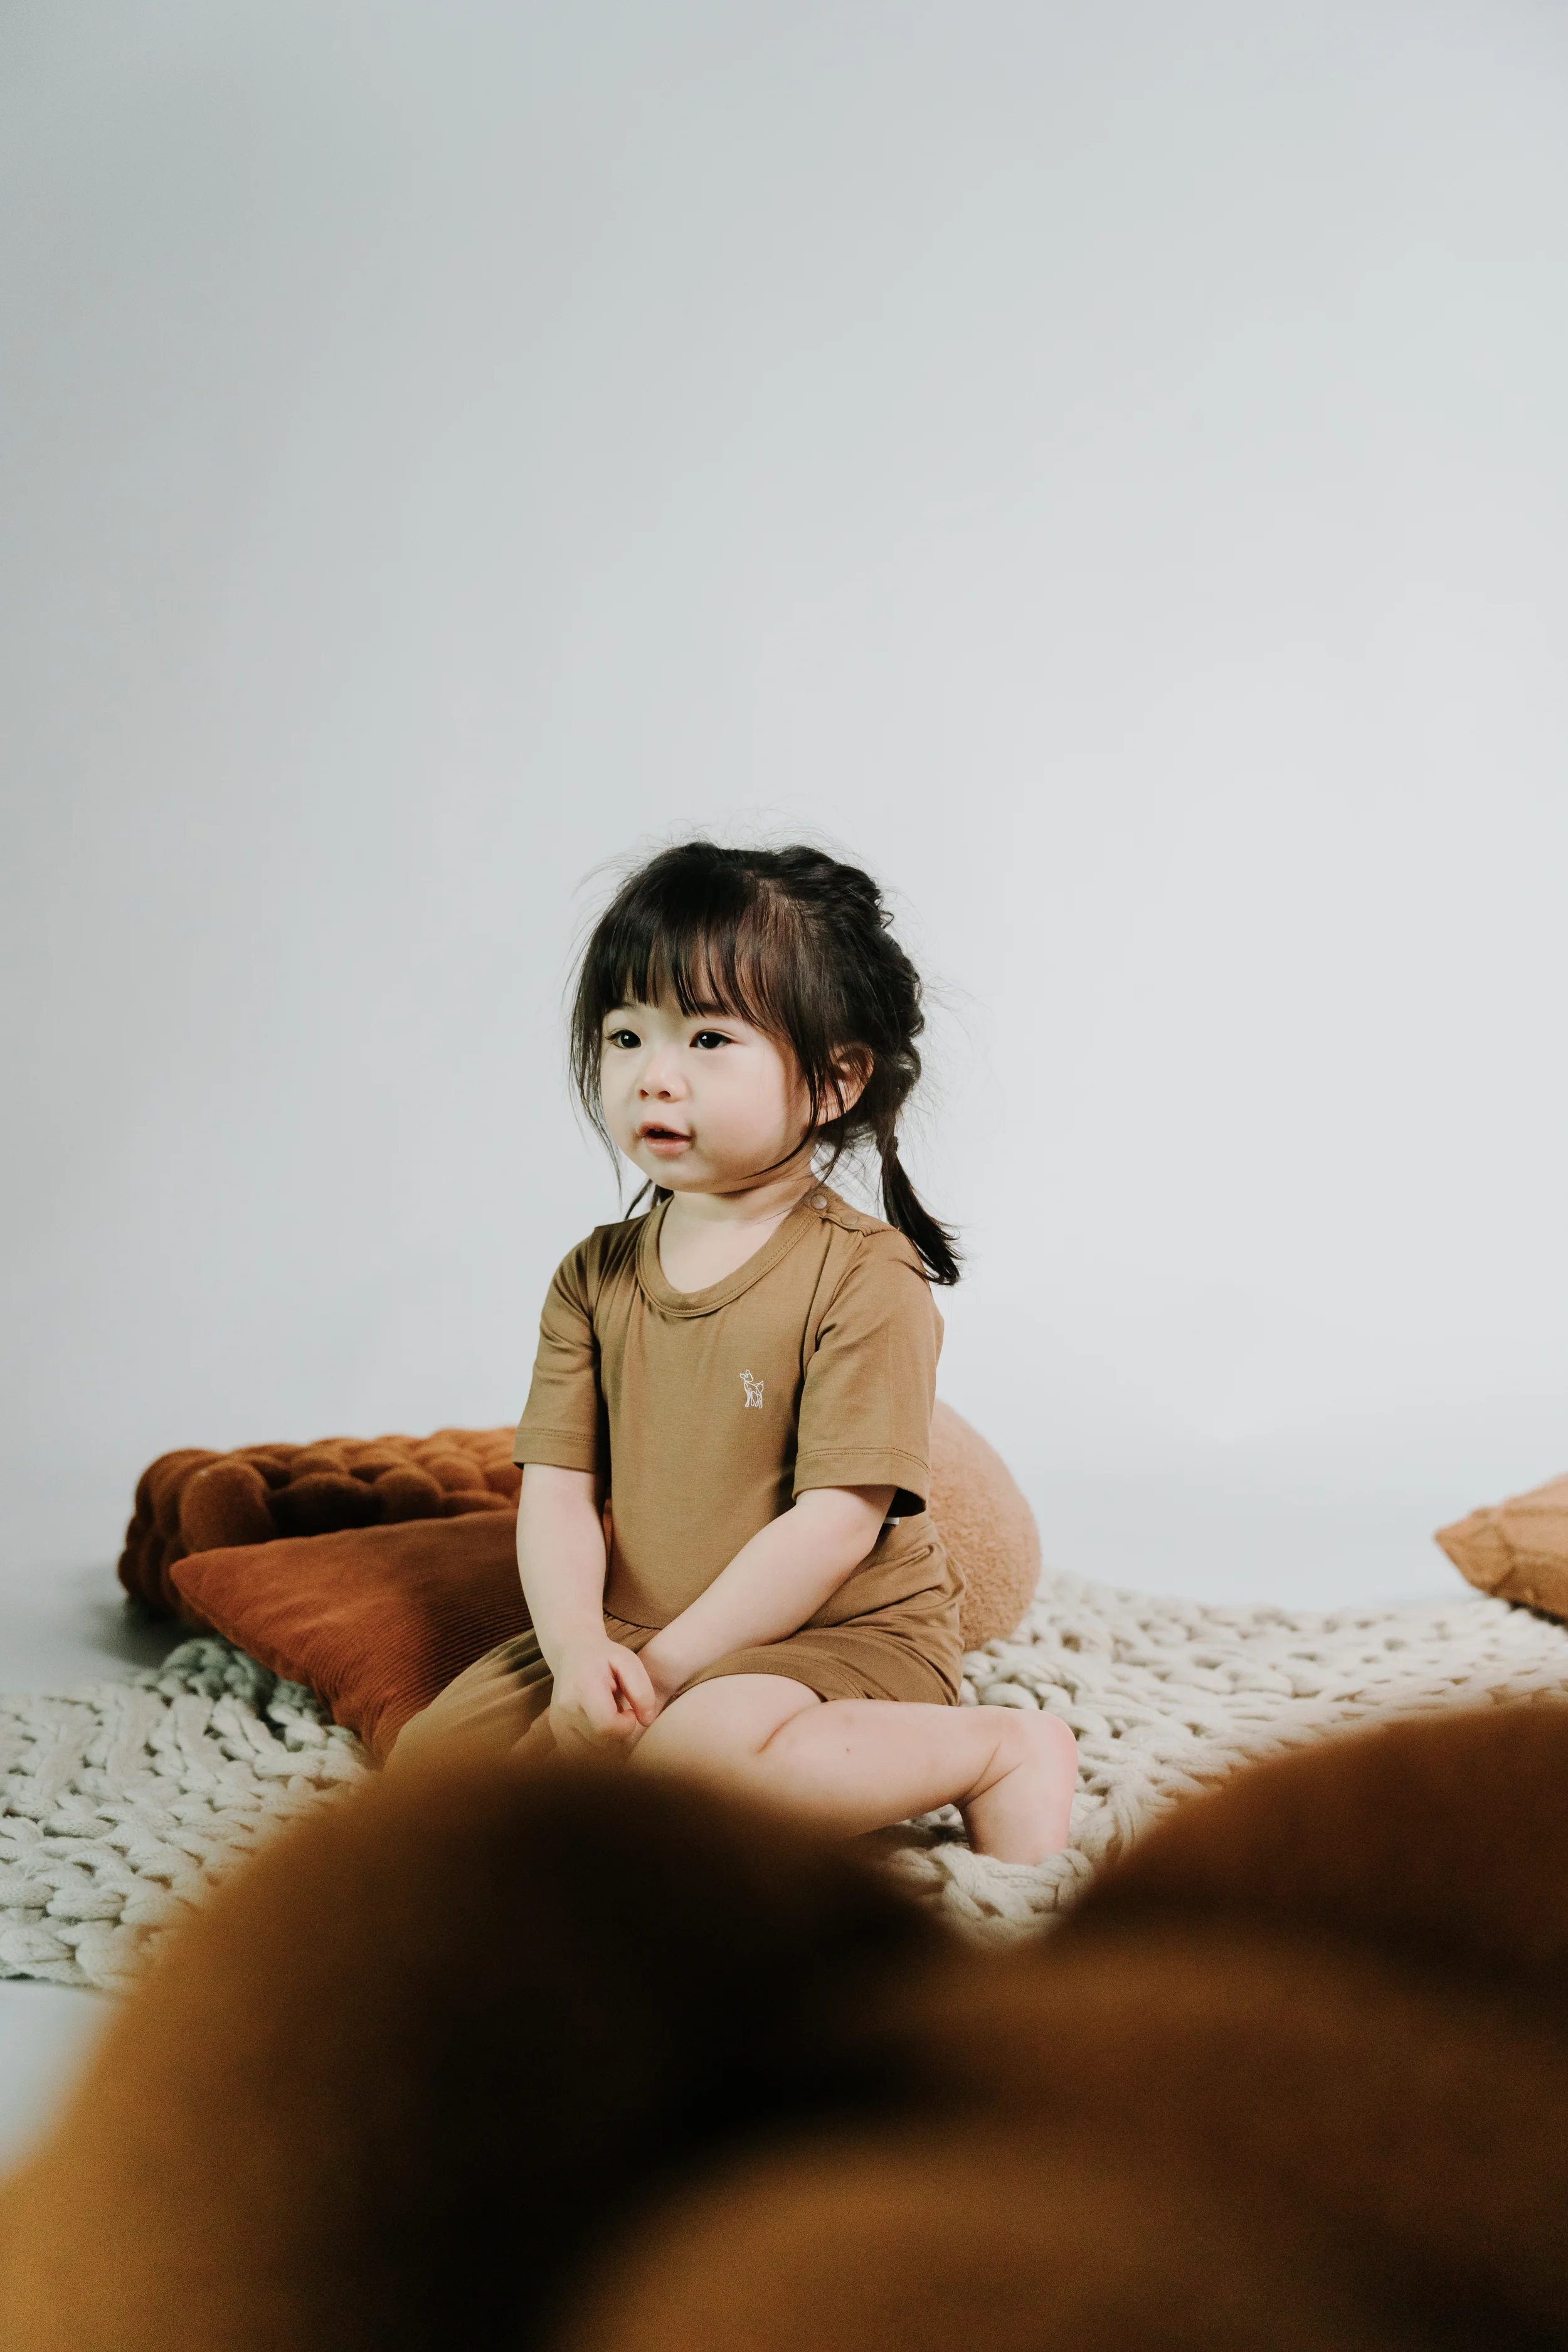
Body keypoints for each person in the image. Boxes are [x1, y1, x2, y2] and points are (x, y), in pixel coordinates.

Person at [391, 840, 1076, 1863]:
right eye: (627, 1035)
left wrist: (665, 1675)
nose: (655, 1077)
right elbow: (559, 1492)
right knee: (429, 1778)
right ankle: (649, 1717)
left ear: (837, 1079)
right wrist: (584, 1653)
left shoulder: (862, 1276)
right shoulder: (596, 1275)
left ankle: (1003, 1750)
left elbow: (836, 1524)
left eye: (709, 1039)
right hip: (635, 1627)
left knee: (689, 1773)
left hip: (836, 1636)